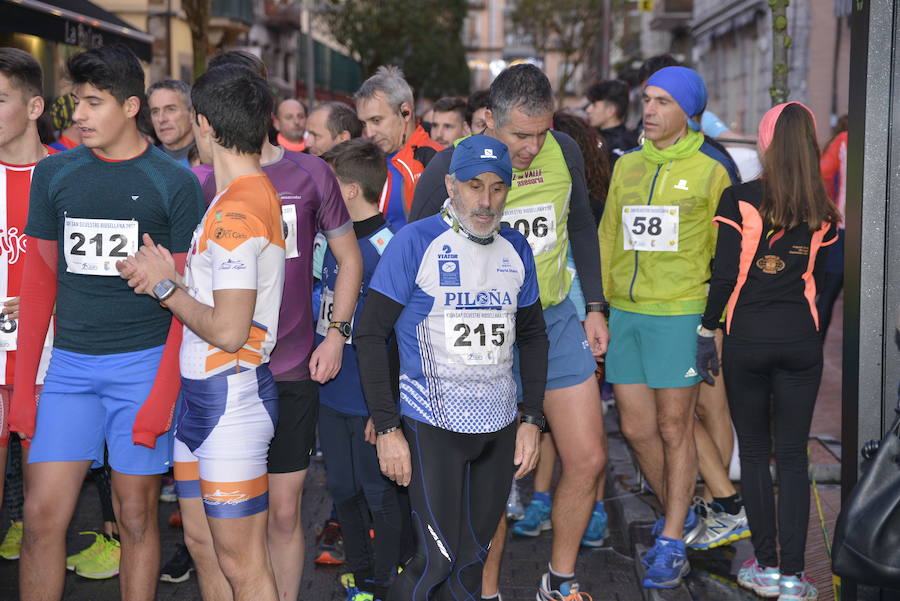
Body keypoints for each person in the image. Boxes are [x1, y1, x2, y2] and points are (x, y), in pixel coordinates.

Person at [9, 44, 204, 601]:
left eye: (94, 103)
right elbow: (39, 285)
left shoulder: (175, 183)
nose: (80, 116)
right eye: (75, 103)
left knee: (136, 516)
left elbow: (184, 301)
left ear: (131, 106)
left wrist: (163, 394)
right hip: (69, 368)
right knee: (43, 518)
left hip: (142, 368)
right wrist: (25, 392)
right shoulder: (55, 173)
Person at [411, 64, 609, 601]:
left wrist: (594, 304)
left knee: (589, 457)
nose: (531, 146)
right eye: (521, 134)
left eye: (541, 132)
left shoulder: (565, 151)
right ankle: (488, 591)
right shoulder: (453, 166)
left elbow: (580, 225)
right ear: (490, 121)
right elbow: (415, 251)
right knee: (492, 480)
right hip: (482, 333)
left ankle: (559, 581)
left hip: (554, 317)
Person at [181, 50, 362, 601]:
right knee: (212, 537)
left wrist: (336, 333)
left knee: (281, 518)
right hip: (219, 374)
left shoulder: (310, 171)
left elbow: (349, 259)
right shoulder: (205, 179)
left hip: (286, 364)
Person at [119, 62, 287, 601]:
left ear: (204, 124)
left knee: (243, 564)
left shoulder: (237, 206)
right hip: (204, 400)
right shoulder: (233, 193)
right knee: (202, 543)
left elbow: (231, 329)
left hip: (231, 400)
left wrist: (166, 288)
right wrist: (177, 272)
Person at [356, 134, 547, 601]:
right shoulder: (415, 242)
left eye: (497, 188)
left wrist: (532, 420)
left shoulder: (517, 249)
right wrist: (386, 428)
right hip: (431, 428)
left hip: (498, 429)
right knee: (434, 562)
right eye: (473, 186)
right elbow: (368, 335)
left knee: (470, 564)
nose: (485, 201)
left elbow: (533, 336)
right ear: (450, 185)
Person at [598, 66, 739, 588]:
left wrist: (712, 320)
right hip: (628, 313)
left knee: (676, 426)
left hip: (680, 311)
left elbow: (723, 253)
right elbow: (610, 234)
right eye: (647, 100)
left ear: (688, 112)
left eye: (661, 102)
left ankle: (672, 536)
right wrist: (602, 305)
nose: (650, 111)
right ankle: (686, 515)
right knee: (635, 428)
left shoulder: (710, 170)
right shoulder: (628, 166)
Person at [696, 101, 839, 601]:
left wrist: (706, 329)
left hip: (747, 340)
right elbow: (825, 280)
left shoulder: (740, 199)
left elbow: (724, 276)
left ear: (766, 142)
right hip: (800, 341)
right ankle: (796, 579)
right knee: (793, 458)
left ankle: (767, 566)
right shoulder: (823, 212)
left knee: (755, 454)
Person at [316, 138, 405, 601]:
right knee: (341, 488)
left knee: (379, 493)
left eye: (329, 184)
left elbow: (398, 336)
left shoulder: (390, 248)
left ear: (349, 190)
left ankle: (387, 580)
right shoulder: (331, 241)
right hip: (331, 393)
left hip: (370, 400)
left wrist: (384, 408)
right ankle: (361, 575)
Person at [0, 45, 56, 563]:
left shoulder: (71, 175)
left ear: (34, 107)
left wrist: (50, 302)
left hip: (51, 367)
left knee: (43, 517)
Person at [354, 66, 442, 229]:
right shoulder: (364, 157)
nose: (369, 132)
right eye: (364, 123)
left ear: (405, 112)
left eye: (376, 120)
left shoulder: (435, 159)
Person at [816, 115, 848, 339]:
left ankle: (815, 348)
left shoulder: (842, 141)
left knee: (826, 296)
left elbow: (822, 174)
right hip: (865, 232)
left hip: (842, 229)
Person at [584, 80, 639, 165]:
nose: (588, 110)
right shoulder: (591, 135)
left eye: (594, 105)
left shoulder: (623, 145)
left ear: (610, 111)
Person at [147, 79, 195, 167]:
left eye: (170, 109)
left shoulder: (212, 162)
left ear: (192, 114)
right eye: (155, 112)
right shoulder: (146, 165)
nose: (161, 119)